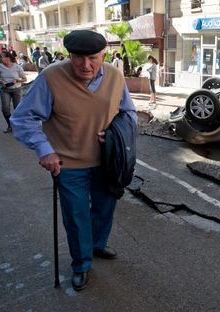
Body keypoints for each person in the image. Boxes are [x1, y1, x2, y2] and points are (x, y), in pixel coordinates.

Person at [10, 30, 137, 291]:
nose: (86, 65)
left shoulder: (114, 76)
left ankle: (97, 244)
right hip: (68, 164)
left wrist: (116, 135)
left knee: (105, 209)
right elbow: (23, 119)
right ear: (70, 55)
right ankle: (81, 264)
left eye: (93, 58)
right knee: (77, 216)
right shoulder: (51, 77)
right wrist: (45, 150)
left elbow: (128, 113)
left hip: (106, 161)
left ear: (103, 55)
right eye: (78, 58)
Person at [0, 50, 27, 133]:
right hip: (5, 89)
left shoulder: (17, 67)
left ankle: (18, 126)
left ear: (8, 57)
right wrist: (0, 82)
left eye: (2, 56)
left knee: (17, 109)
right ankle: (10, 125)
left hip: (16, 90)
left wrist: (17, 80)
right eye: (1, 57)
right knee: (5, 109)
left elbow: (24, 79)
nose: (1, 58)